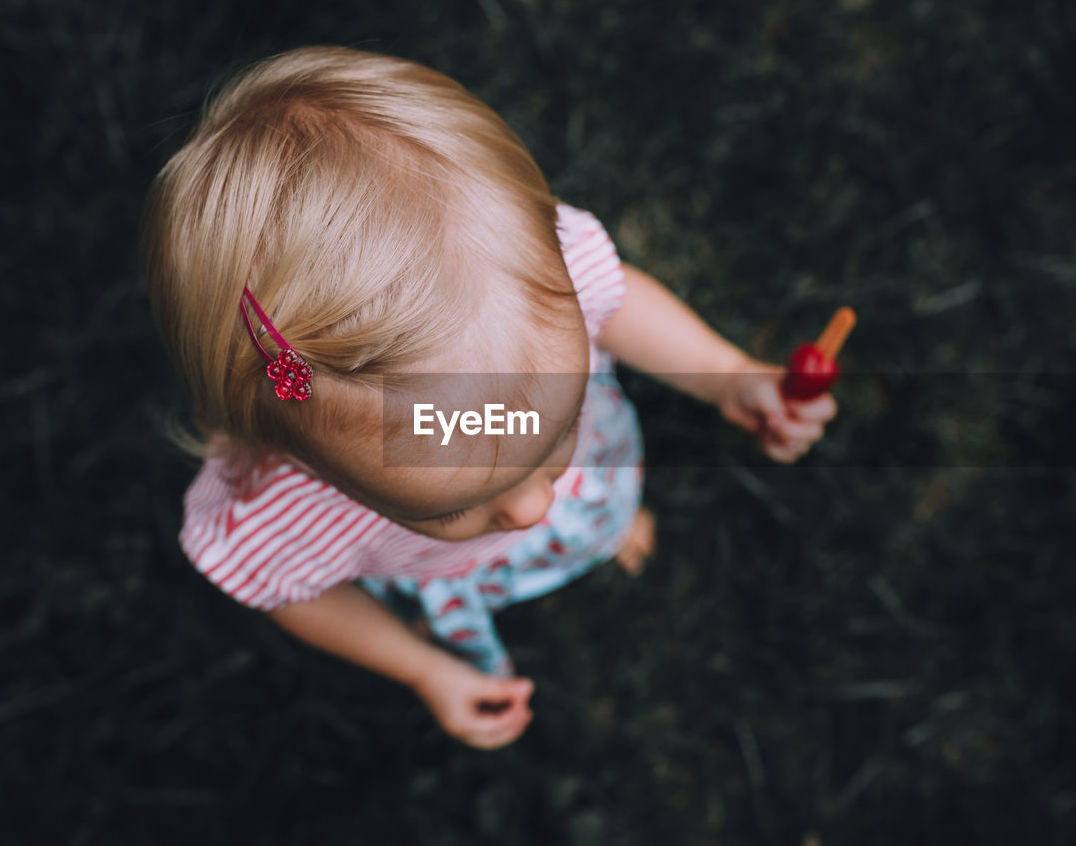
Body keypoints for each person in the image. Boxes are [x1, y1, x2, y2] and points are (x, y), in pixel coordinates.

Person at [141, 46, 837, 750]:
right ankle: (591, 527)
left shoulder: (527, 280)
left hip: (597, 475)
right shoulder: (284, 511)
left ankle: (606, 525)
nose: (535, 505)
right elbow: (297, 592)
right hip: (462, 576)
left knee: (587, 501)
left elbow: (618, 305)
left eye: (559, 426)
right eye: (454, 503)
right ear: (305, 457)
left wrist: (727, 372)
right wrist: (423, 668)